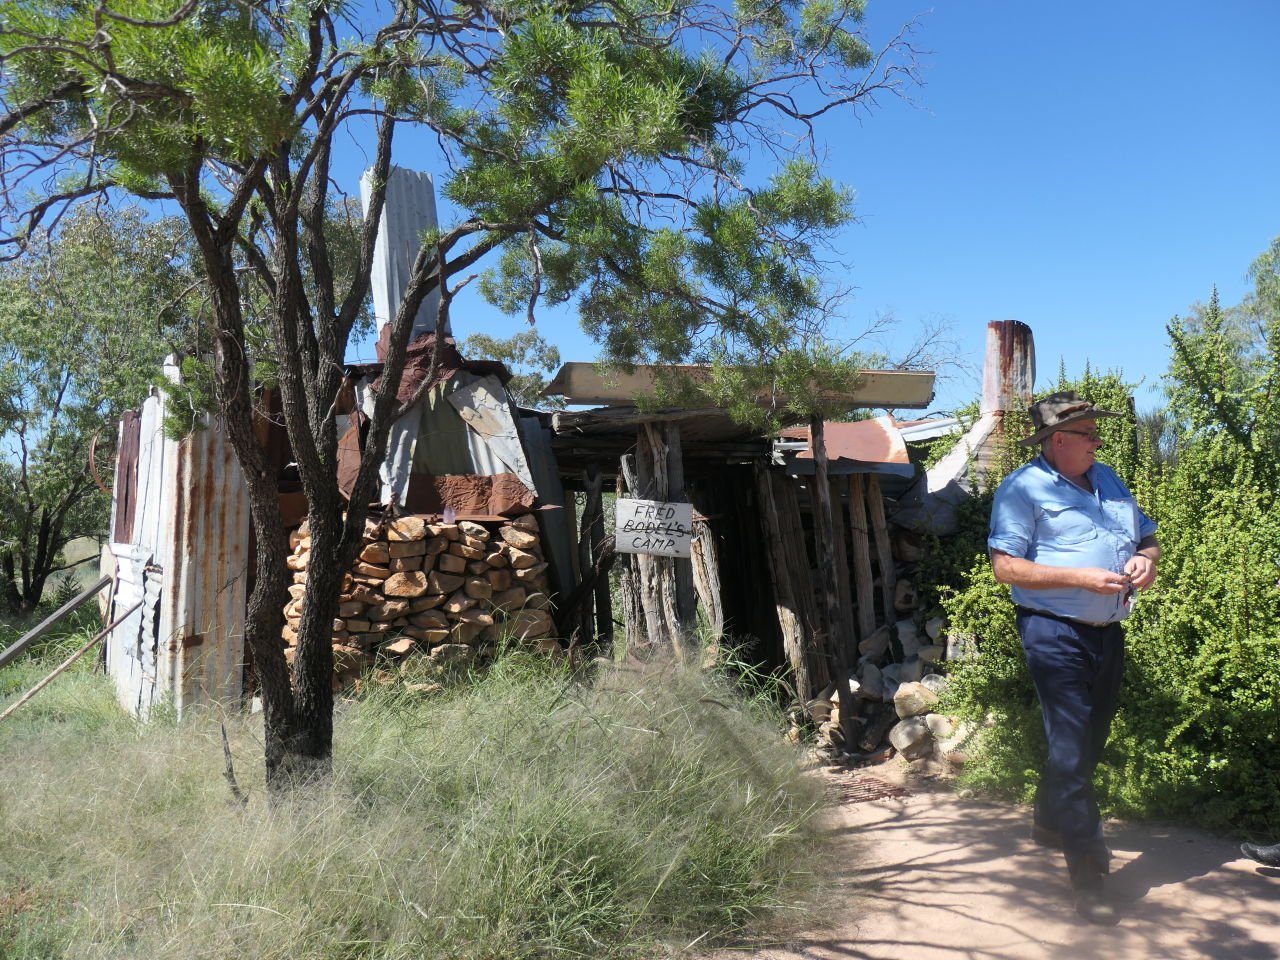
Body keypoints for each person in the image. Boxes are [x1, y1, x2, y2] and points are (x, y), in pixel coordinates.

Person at [988, 391, 1160, 925]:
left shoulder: (1108, 478)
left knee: (1087, 742)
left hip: (1107, 632)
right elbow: (1005, 567)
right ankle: (1089, 874)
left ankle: (1048, 821)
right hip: (1053, 631)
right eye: (1089, 433)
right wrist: (1079, 577)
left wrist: (1146, 560)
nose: (1098, 442)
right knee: (1070, 745)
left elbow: (1148, 536)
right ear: (1058, 439)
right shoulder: (1022, 489)